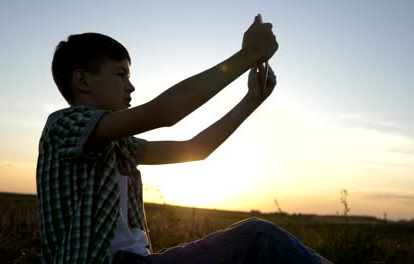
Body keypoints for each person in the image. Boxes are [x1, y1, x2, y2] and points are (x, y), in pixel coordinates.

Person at [37, 15, 329, 263]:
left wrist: (251, 100)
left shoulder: (118, 144)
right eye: (120, 74)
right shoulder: (64, 125)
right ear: (83, 81)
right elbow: (165, 112)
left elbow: (194, 149)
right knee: (259, 238)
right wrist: (248, 55)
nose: (131, 85)